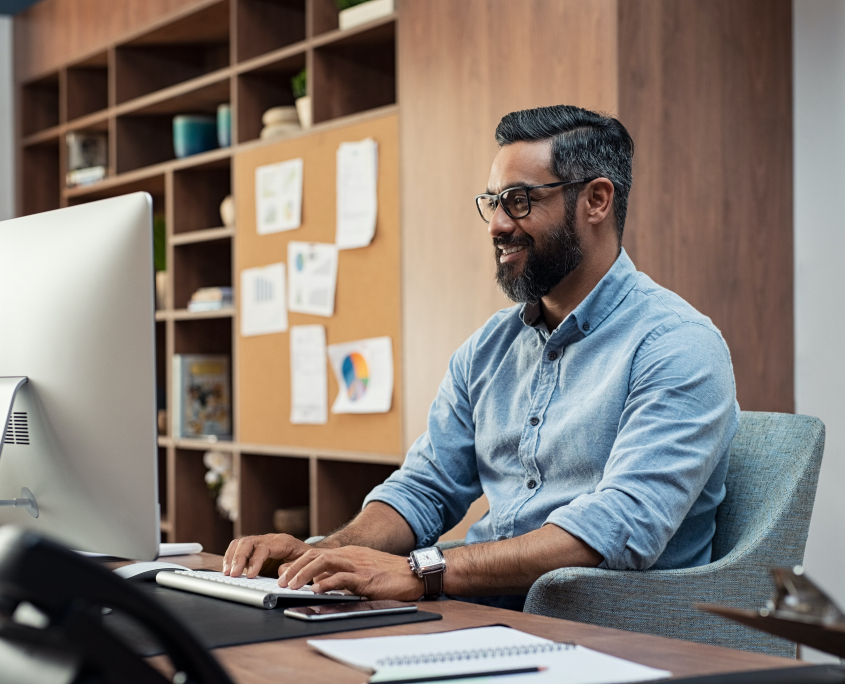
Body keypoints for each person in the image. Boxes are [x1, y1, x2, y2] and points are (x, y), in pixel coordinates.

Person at [223, 105, 739, 609]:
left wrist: (423, 572)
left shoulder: (677, 345)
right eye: (491, 202)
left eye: (517, 201)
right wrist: (322, 556)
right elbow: (426, 487)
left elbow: (619, 526)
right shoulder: (489, 347)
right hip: (479, 610)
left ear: (596, 200)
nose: (495, 224)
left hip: (607, 633)